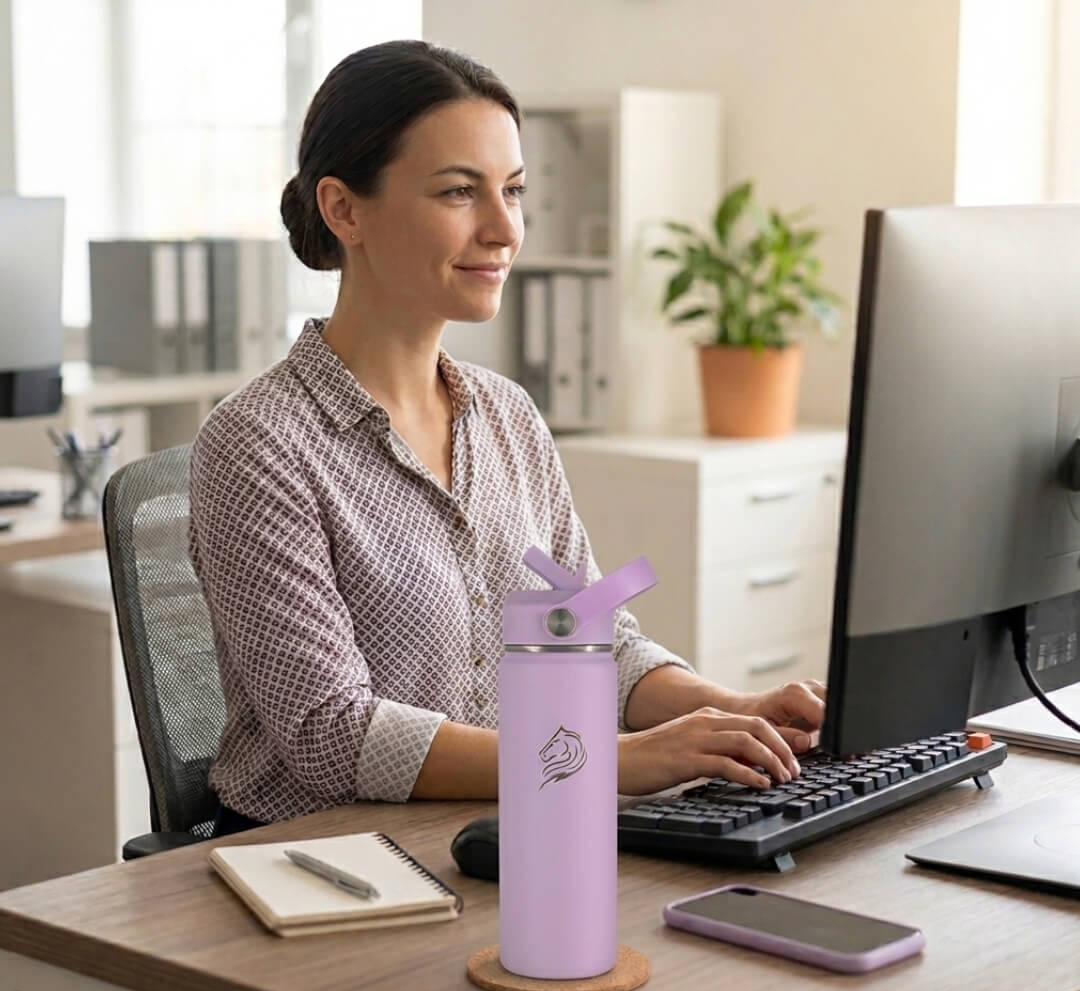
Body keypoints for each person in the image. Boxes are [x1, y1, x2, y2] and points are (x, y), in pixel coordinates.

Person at [189, 39, 827, 842]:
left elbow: (592, 641)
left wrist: (731, 712)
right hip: (330, 861)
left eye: (515, 191)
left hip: (503, 831)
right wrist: (614, 760)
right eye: (460, 192)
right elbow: (330, 735)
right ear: (343, 209)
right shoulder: (258, 444)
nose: (502, 229)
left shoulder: (507, 415)